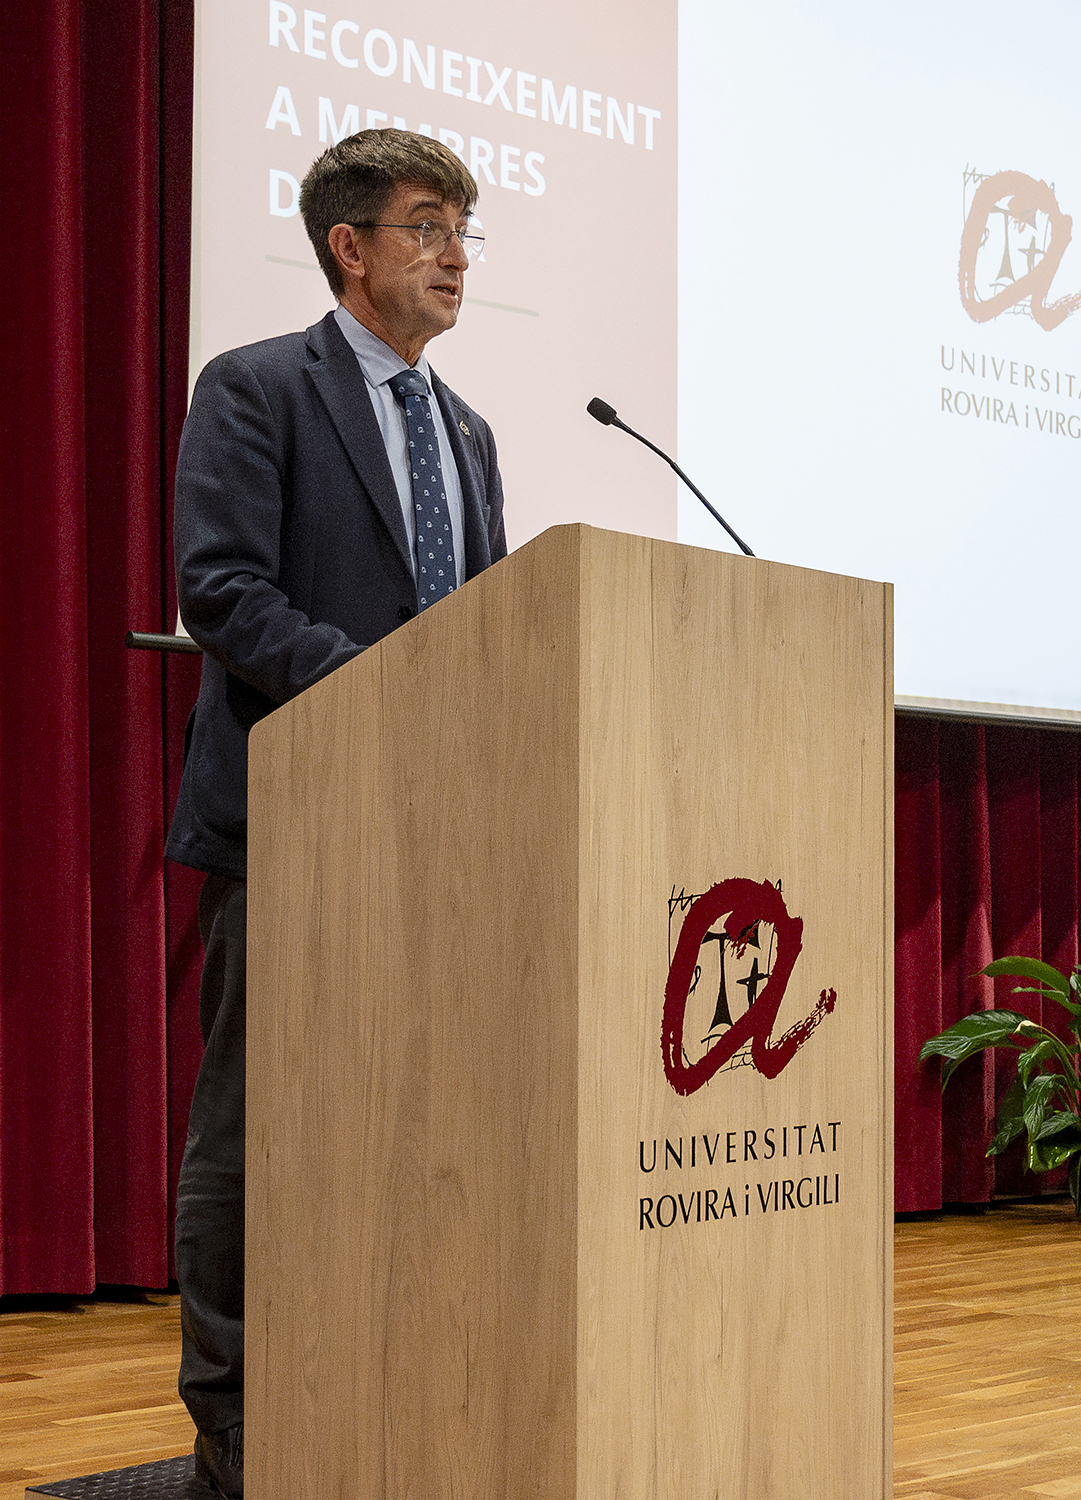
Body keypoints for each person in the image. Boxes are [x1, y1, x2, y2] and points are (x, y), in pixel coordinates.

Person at [166, 129, 507, 1499]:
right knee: (255, 1135)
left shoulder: (467, 431)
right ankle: (239, 1425)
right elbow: (221, 589)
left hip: (439, 841)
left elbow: (486, 629)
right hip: (292, 820)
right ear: (347, 247)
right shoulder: (257, 388)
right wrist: (386, 690)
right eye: (427, 225)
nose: (455, 255)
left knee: (419, 1128)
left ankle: (394, 1382)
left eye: (465, 229)